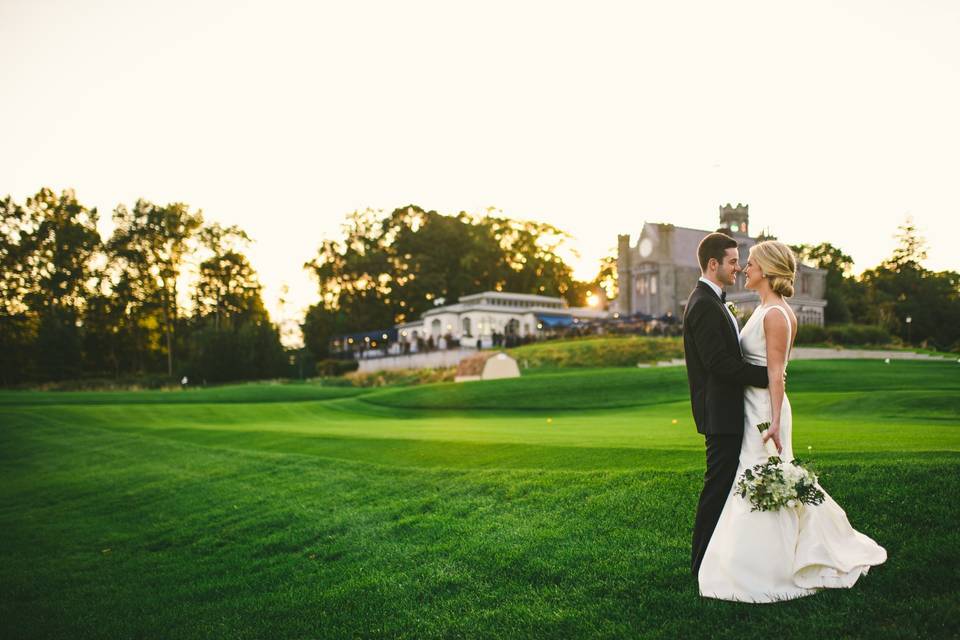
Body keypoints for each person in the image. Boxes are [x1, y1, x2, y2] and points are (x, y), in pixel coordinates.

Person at [697, 240, 886, 602]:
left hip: (765, 415)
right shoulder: (766, 308)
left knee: (761, 481)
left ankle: (769, 567)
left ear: (766, 270)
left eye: (750, 264)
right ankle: (747, 559)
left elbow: (776, 375)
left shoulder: (775, 315)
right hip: (753, 409)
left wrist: (775, 422)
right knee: (754, 481)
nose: (744, 269)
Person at [682, 233, 770, 577]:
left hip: (727, 410)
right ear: (713, 264)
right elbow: (718, 363)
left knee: (724, 484)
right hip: (720, 412)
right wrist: (768, 376)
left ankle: (719, 556)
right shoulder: (704, 304)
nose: (739, 267)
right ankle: (701, 562)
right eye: (733, 261)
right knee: (717, 485)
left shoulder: (713, 300)